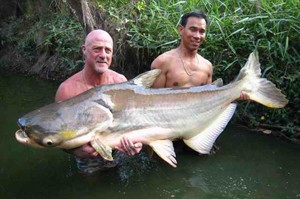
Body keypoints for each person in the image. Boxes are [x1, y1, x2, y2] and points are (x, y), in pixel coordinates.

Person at [150, 11, 248, 153]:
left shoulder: (206, 66)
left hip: (196, 133)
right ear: (181, 29)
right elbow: (151, 105)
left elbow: (210, 104)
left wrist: (236, 98)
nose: (197, 36)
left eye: (202, 31)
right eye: (193, 29)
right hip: (169, 137)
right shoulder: (162, 62)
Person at [55, 29, 142, 174]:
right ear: (84, 50)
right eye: (97, 49)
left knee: (117, 178)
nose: (103, 55)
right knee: (91, 185)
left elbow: (133, 120)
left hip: (118, 148)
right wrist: (75, 150)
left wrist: (136, 142)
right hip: (88, 155)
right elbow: (57, 135)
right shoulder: (67, 90)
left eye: (108, 50)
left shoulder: (120, 82)